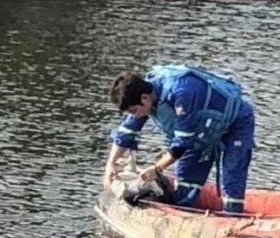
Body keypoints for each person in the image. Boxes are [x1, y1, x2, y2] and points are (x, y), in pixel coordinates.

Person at [102, 64, 256, 212]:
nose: (135, 116)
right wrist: (111, 164)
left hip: (235, 123)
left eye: (134, 111)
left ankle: (232, 216)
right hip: (200, 132)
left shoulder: (182, 93)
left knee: (232, 176)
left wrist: (157, 169)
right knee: (185, 187)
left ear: (145, 98)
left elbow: (180, 146)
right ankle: (188, 215)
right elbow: (126, 132)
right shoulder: (145, 100)